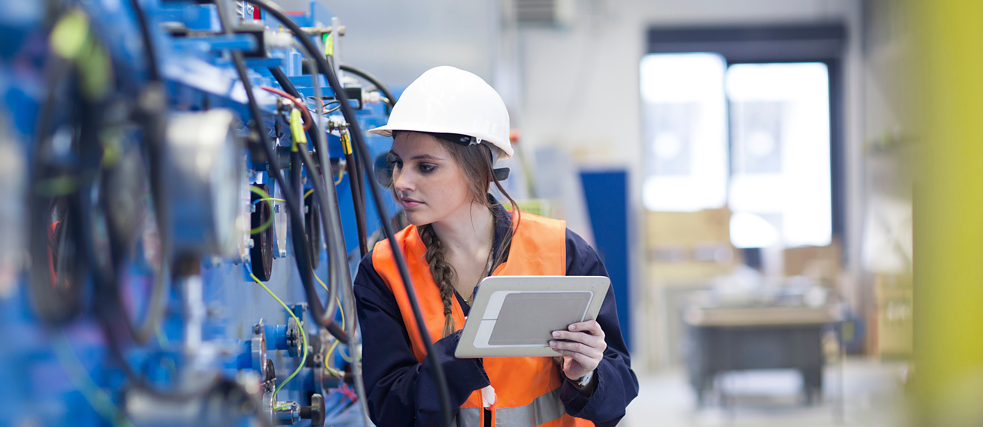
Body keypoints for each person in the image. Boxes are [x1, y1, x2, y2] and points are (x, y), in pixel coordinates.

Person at [354, 66, 638, 427]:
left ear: (481, 172)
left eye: (425, 166)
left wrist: (585, 376)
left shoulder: (561, 251)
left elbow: (618, 395)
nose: (401, 182)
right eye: (397, 163)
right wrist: (461, 355)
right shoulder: (383, 269)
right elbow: (388, 410)